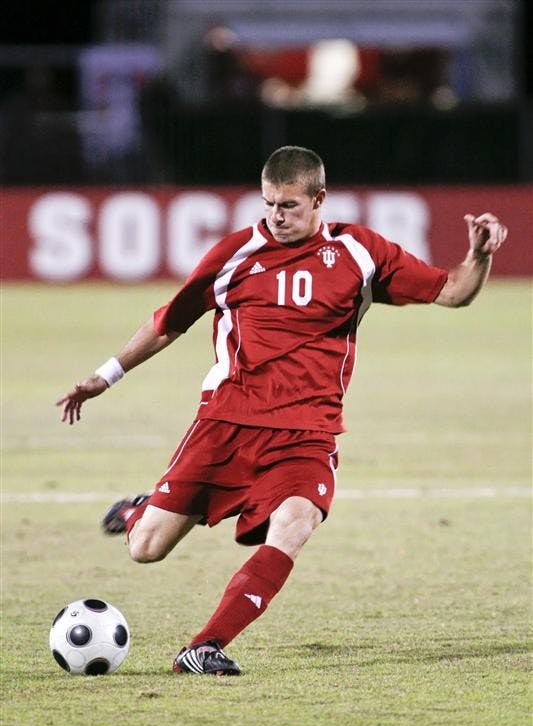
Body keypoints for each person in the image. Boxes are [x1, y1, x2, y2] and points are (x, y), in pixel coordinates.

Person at [56, 146, 508, 676]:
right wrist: (106, 375)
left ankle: (203, 647)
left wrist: (479, 255)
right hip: (226, 424)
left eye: (289, 205)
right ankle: (141, 511)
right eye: (269, 203)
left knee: (296, 521)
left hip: (308, 433)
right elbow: (168, 322)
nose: (276, 215)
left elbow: (453, 291)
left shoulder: (359, 252)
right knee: (146, 549)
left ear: (319, 199)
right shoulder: (236, 254)